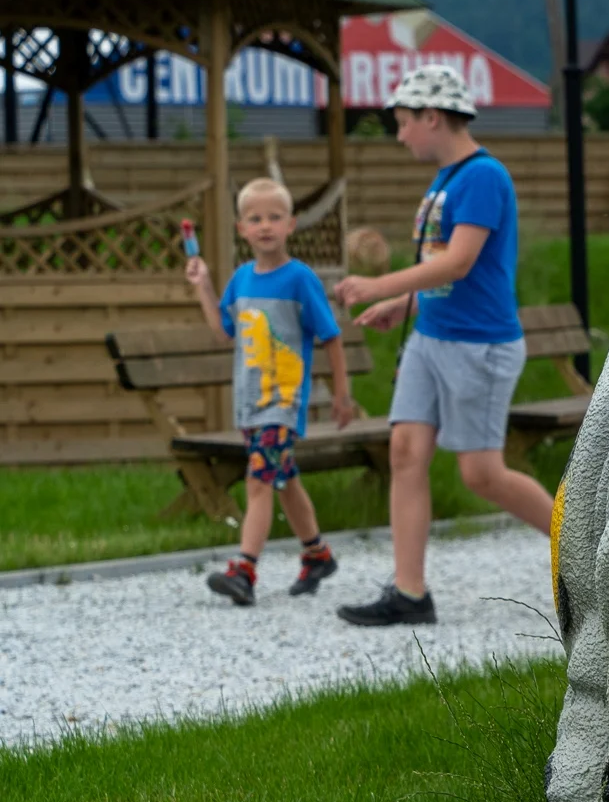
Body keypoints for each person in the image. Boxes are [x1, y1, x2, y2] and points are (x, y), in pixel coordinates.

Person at [332, 65, 554, 626]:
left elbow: (458, 261)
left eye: (404, 122)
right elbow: (444, 276)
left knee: (481, 475)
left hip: (477, 347)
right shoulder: (445, 181)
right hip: (432, 341)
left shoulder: (483, 177)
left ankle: (588, 553)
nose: (399, 133)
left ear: (432, 117)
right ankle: (409, 593)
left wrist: (379, 284)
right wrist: (402, 305)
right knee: (405, 453)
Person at [184, 177, 355, 605]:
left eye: (274, 217)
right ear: (241, 228)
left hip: (282, 404)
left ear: (291, 224)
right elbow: (223, 331)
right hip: (249, 404)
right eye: (255, 218)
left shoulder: (300, 279)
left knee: (259, 482)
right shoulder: (241, 280)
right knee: (284, 480)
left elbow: (330, 335)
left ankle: (244, 570)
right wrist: (202, 285)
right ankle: (317, 553)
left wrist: (341, 393)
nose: (265, 226)